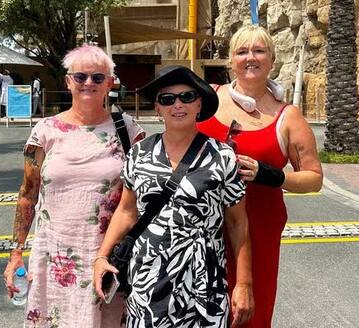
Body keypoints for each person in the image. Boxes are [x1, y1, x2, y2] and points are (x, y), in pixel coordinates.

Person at [94, 65, 254, 328]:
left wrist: (244, 283)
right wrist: (102, 256)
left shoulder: (222, 156)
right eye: (167, 99)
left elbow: (238, 223)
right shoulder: (139, 154)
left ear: (199, 104)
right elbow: (126, 211)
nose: (178, 105)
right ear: (158, 108)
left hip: (205, 282)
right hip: (149, 280)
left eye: (187, 97)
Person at [4, 45, 144, 328]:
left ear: (110, 83)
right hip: (54, 256)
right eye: (80, 77)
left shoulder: (129, 131)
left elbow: (142, 196)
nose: (88, 83)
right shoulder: (45, 131)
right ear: (68, 81)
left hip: (109, 256)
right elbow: (28, 195)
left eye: (97, 77)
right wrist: (15, 254)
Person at [197, 24, 323, 328]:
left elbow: (314, 178)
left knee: (248, 313)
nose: (250, 58)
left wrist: (271, 176)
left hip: (258, 228)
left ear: (272, 59)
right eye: (242, 51)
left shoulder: (287, 116)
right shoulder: (207, 98)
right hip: (199, 225)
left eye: (259, 51)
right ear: (231, 60)